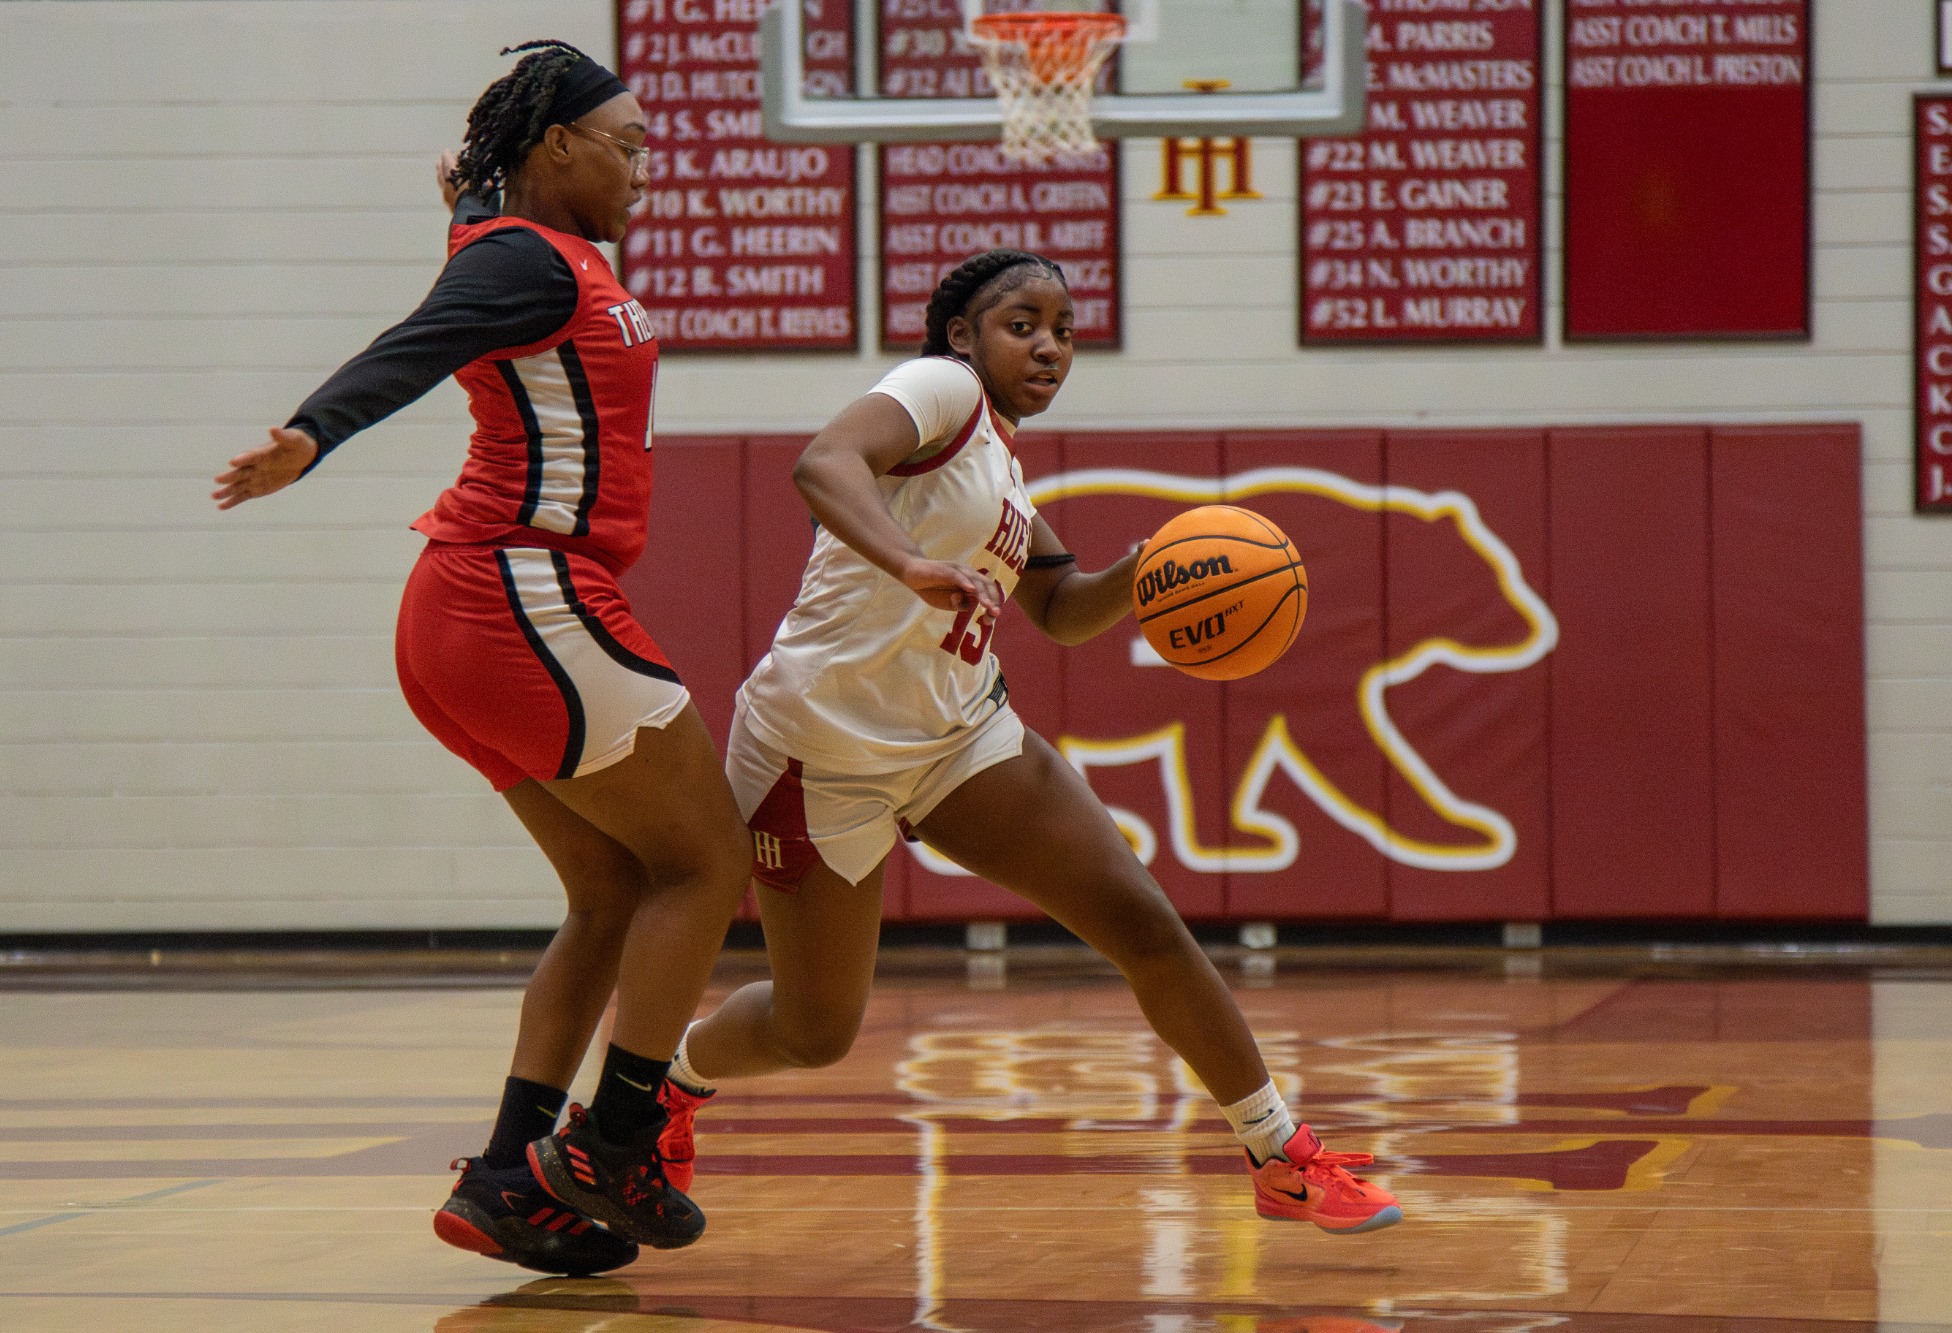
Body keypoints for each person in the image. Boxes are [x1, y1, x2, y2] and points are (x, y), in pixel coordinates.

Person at [653, 249, 1404, 1236]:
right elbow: (822, 463)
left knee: (1142, 922)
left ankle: (1281, 1156)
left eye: (1064, 331)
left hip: (957, 735)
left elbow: (1059, 609)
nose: (1050, 345)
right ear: (963, 334)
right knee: (813, 1029)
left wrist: (1152, 570)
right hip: (816, 751)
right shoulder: (940, 388)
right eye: (1024, 324)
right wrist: (910, 563)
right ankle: (671, 1083)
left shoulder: (1002, 469)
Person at [212, 40, 748, 1273]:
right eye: (627, 146)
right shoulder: (526, 260)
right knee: (705, 860)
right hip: (522, 587)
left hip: (463, 611)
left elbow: (471, 255)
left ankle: (510, 1176)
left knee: (613, 890)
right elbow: (420, 341)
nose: (645, 170)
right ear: (557, 147)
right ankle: (613, 1142)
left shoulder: (516, 243)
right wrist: (312, 434)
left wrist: (463, 198)